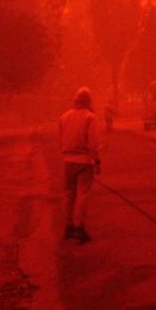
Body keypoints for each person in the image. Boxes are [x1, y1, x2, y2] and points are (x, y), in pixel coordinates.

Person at [59, 87, 101, 243]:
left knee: (69, 194)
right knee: (82, 194)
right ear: (89, 101)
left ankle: (68, 226)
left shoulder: (63, 117)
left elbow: (62, 139)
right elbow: (93, 144)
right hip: (84, 161)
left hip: (68, 161)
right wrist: (97, 162)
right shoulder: (90, 118)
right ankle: (79, 228)